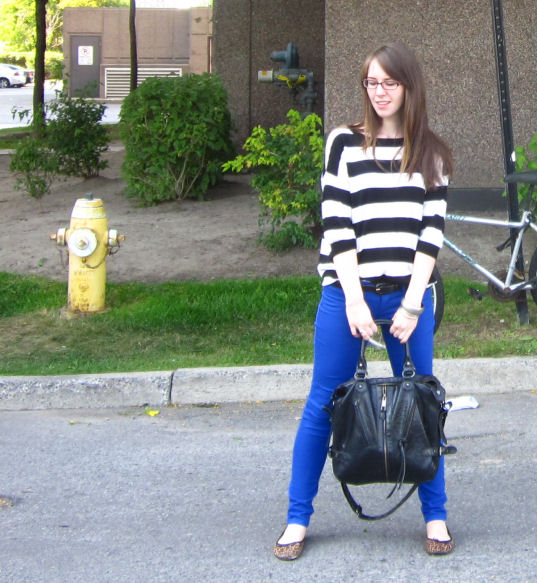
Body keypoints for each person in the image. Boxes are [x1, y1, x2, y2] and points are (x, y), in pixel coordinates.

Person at [274, 42, 454, 561]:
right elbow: (337, 225)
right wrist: (354, 301)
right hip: (346, 293)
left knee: (421, 406)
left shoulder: (433, 154)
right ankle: (297, 518)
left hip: (409, 299)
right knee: (322, 403)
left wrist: (413, 305)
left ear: (409, 87)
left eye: (389, 83)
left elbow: (430, 236)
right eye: (371, 83)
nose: (379, 92)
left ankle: (436, 515)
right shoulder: (343, 143)